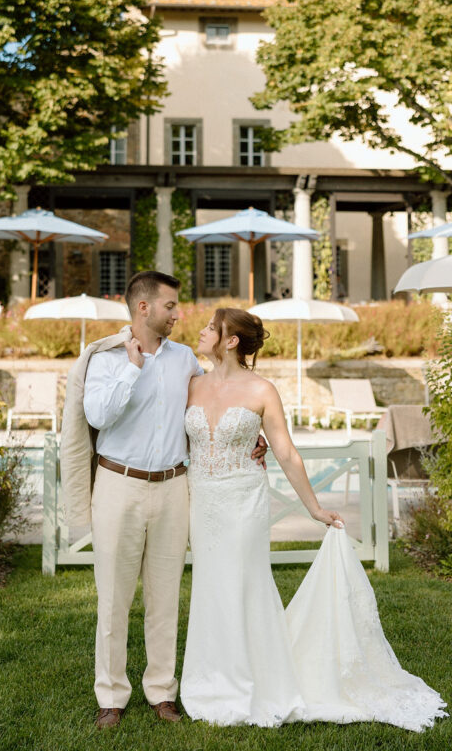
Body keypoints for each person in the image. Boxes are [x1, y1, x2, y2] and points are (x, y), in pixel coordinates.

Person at [181, 307, 447, 731]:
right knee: (211, 587)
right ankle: (211, 679)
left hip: (242, 502)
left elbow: (285, 451)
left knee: (243, 584)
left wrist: (314, 508)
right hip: (203, 501)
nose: (201, 331)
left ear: (231, 341)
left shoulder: (262, 389)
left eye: (211, 328)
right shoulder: (189, 383)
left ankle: (253, 680)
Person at [81, 272, 265, 731]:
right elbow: (98, 416)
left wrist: (250, 434)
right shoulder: (106, 358)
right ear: (144, 308)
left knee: (165, 599)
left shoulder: (185, 358)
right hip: (118, 484)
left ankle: (162, 692)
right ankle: (111, 695)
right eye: (170, 306)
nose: (179, 314)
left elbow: (218, 398)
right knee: (114, 599)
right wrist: (132, 368)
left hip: (173, 488)